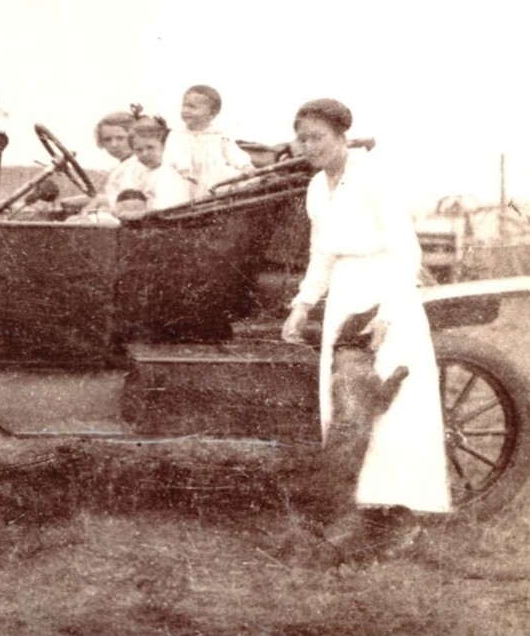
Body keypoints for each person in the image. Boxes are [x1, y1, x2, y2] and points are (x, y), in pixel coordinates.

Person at [280, 98, 451, 561]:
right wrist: (303, 304)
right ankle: (358, 515)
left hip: (386, 293)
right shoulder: (318, 186)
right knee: (347, 409)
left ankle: (399, 516)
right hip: (344, 297)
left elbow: (406, 252)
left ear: (342, 135)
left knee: (393, 411)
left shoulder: (376, 177)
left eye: (317, 137)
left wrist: (387, 313)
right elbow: (323, 253)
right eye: (302, 138)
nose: (308, 146)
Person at [161, 84, 254, 199]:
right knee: (181, 192)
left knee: (236, 181)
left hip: (213, 175)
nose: (185, 111)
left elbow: (233, 152)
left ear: (211, 114)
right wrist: (184, 170)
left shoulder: (218, 134)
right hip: (187, 177)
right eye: (184, 105)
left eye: (192, 107)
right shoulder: (178, 134)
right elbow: (175, 154)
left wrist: (245, 165)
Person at [129, 116, 192, 210]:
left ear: (163, 146)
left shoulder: (172, 166)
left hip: (178, 211)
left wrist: (185, 172)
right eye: (139, 150)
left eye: (150, 147)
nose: (145, 154)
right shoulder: (138, 173)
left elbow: (183, 165)